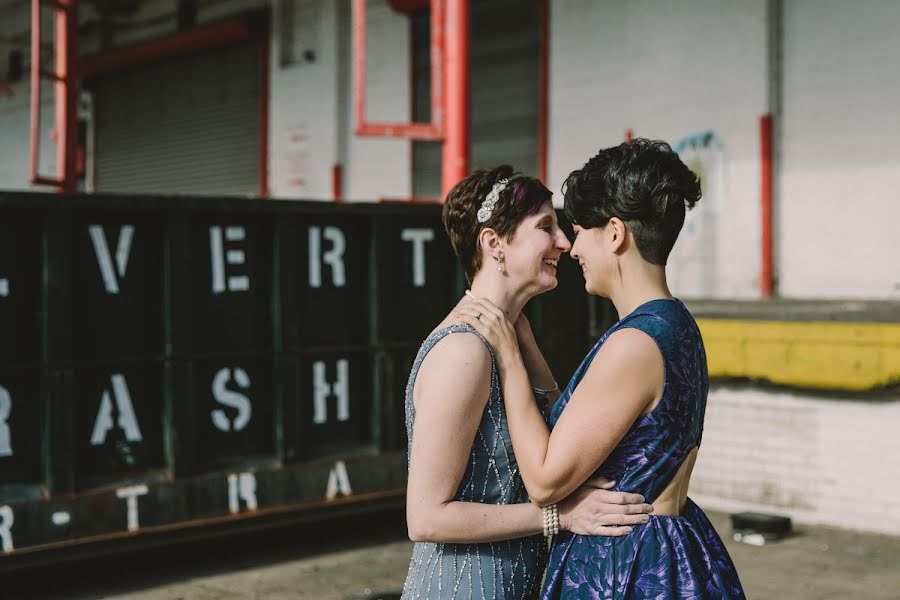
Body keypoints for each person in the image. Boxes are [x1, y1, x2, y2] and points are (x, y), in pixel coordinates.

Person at [457, 140, 746, 599]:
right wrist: (529, 347)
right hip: (674, 544)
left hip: (627, 561)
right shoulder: (674, 324)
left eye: (580, 230)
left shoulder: (633, 344)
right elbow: (584, 430)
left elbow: (546, 480)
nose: (572, 249)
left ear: (614, 234)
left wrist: (510, 359)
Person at [401, 166, 654, 600]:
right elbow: (425, 518)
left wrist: (524, 350)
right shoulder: (464, 352)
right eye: (545, 227)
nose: (565, 243)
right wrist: (558, 516)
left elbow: (560, 444)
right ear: (493, 243)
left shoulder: (506, 344)